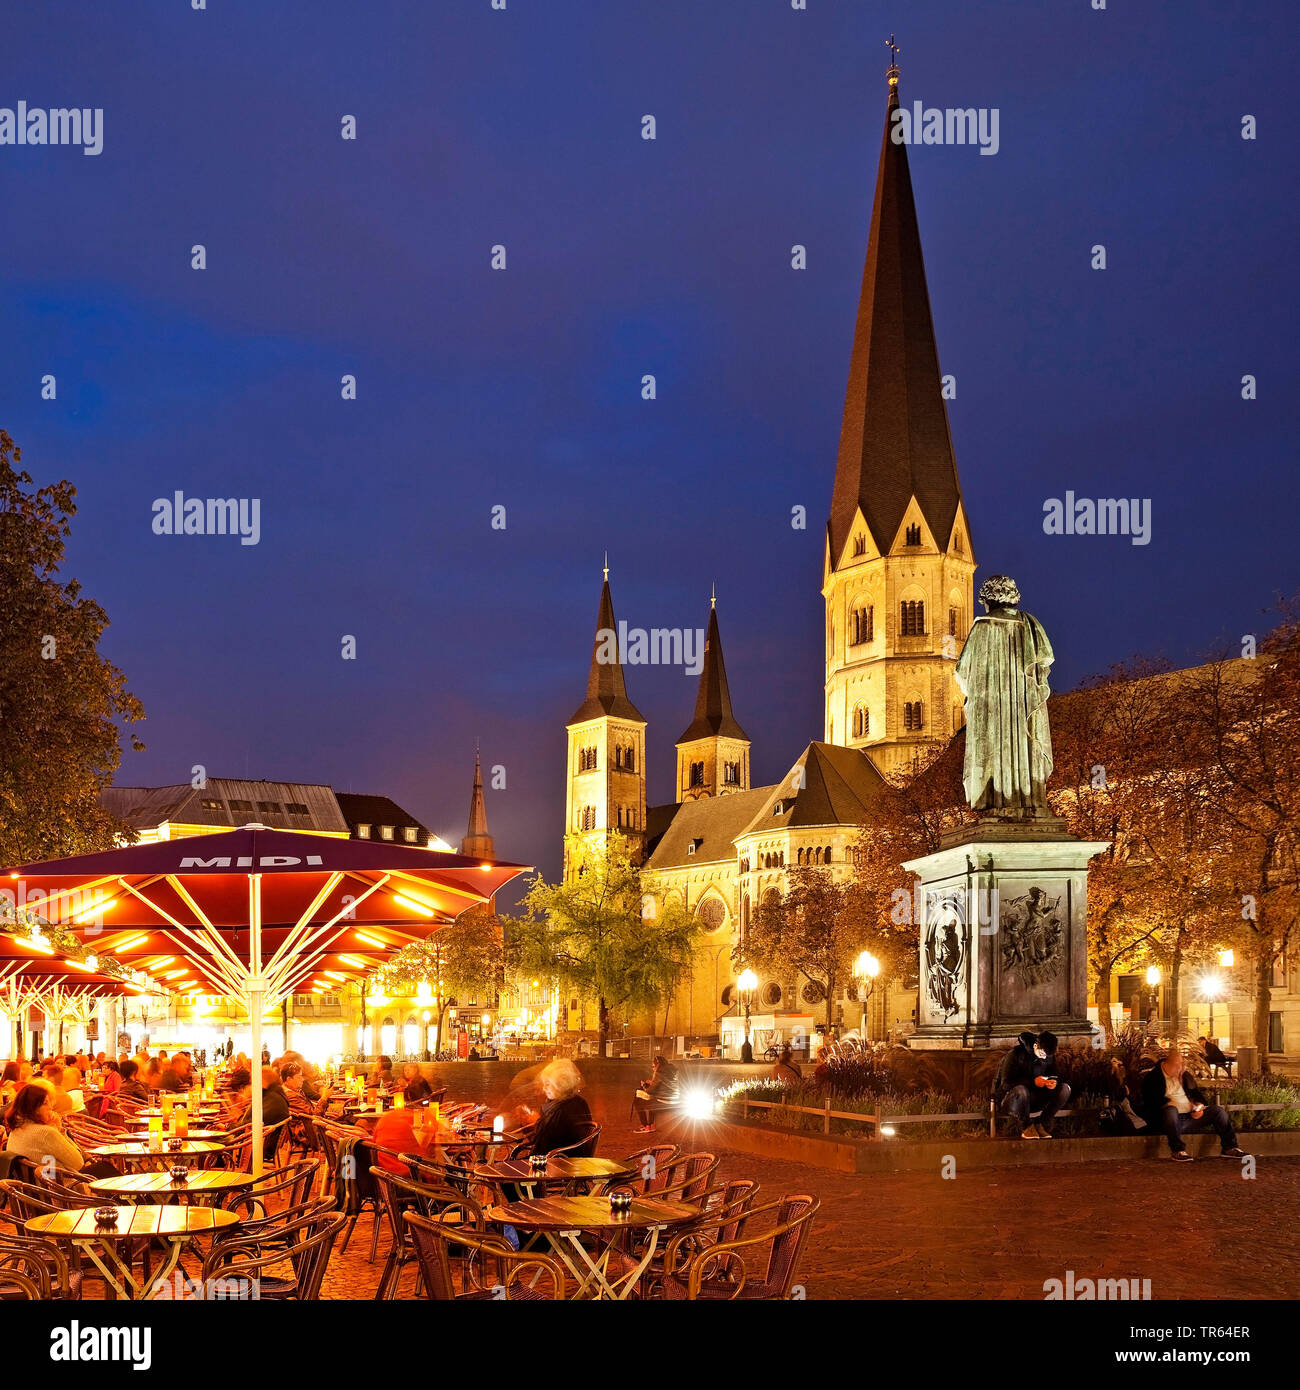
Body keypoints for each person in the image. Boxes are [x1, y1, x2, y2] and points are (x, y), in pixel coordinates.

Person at [1142, 1047, 1247, 1162]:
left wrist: (1199, 1107)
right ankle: (1178, 1150)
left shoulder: (1184, 1076)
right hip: (1168, 1119)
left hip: (1189, 1116)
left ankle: (1230, 1148)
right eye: (1177, 1066)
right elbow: (1150, 1102)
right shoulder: (1153, 1078)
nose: (1180, 1069)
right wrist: (1167, 1103)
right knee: (1171, 1110)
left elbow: (1198, 1095)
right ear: (1166, 1064)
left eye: (1181, 1065)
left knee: (1218, 1111)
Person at [2, 1083, 116, 1177]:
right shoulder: (45, 1133)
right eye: (45, 1103)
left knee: (101, 1169)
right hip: (61, 1190)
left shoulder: (15, 1130)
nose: (50, 1107)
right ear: (33, 1108)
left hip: (36, 1191)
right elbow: (78, 1163)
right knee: (104, 1168)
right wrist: (59, 1130)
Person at [994, 1030, 1072, 1139]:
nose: (1044, 1058)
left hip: (1036, 1099)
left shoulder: (1048, 1056)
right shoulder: (1016, 1054)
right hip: (1014, 1101)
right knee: (1022, 1090)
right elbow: (1006, 1084)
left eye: (1047, 1056)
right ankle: (1026, 1127)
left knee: (1065, 1089)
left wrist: (1053, 1082)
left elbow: (1055, 1075)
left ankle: (1041, 1124)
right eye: (1042, 1054)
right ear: (1035, 1046)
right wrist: (1033, 1081)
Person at [529, 1059, 594, 1157]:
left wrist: (532, 1121)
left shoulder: (562, 1109)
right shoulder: (575, 1102)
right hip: (565, 1159)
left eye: (547, 1084)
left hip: (558, 1161)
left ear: (561, 1084)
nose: (543, 1088)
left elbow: (546, 1143)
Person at [633, 1055, 679, 1132]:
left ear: (658, 1064)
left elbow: (650, 1091)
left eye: (653, 1066)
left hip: (663, 1101)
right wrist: (652, 1082)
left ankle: (646, 1126)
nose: (653, 1068)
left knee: (638, 1102)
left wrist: (644, 1085)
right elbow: (665, 1084)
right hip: (675, 1099)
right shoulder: (673, 1071)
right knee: (652, 1099)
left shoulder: (659, 1072)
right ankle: (651, 1125)